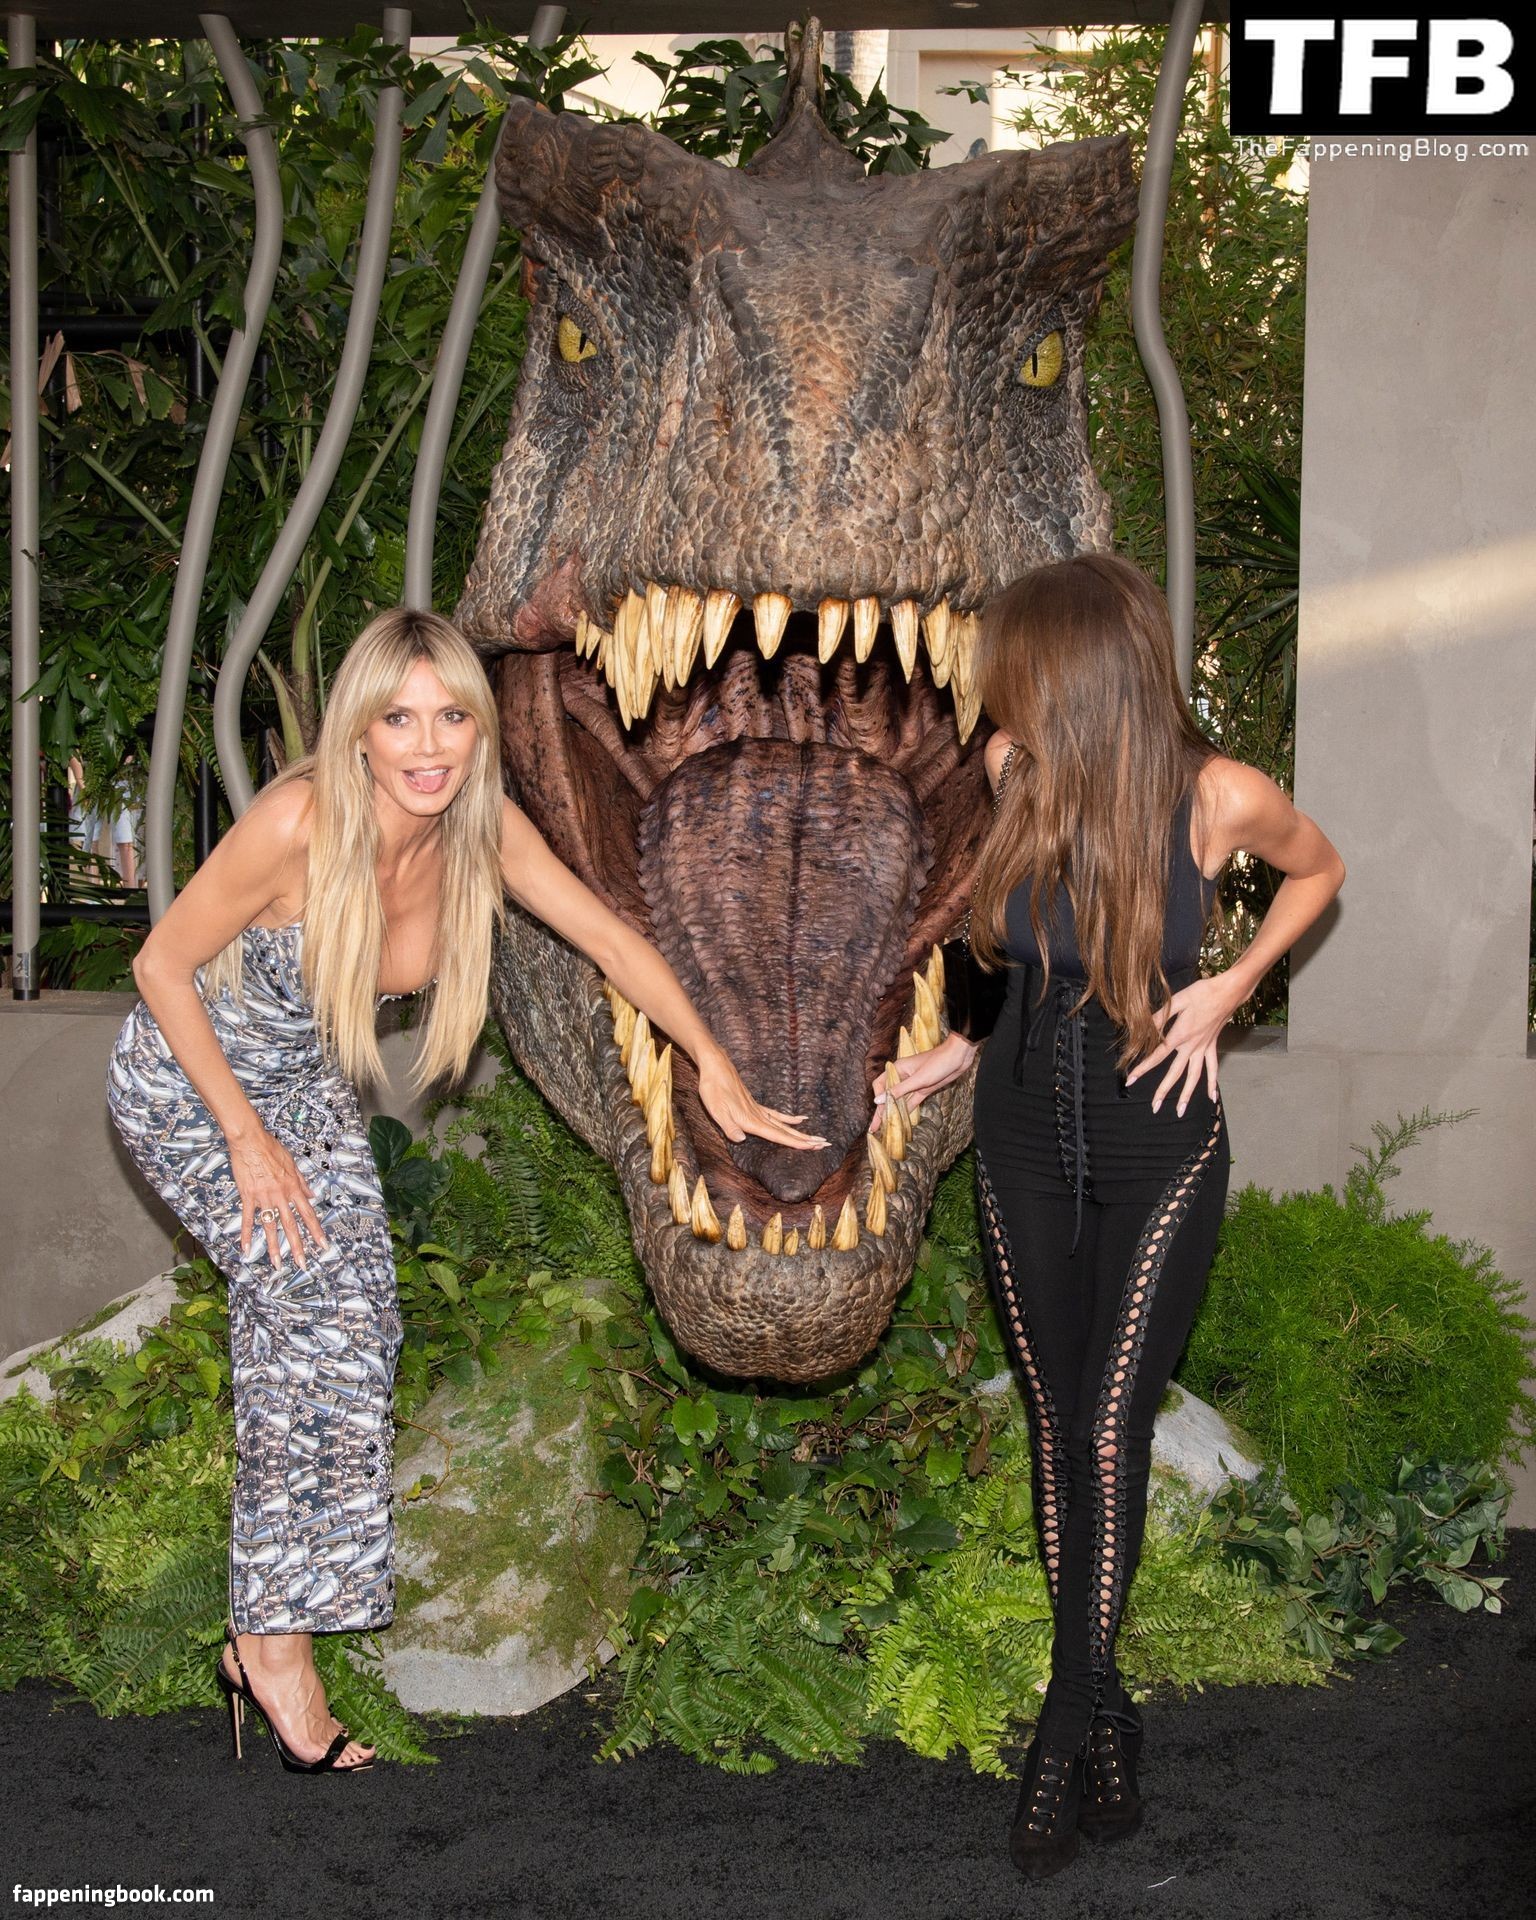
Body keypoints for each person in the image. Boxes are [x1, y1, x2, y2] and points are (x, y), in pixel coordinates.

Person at [107, 607, 826, 1777]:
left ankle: (271, 1630)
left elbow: (613, 940)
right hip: (191, 1085)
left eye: (451, 716)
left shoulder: (483, 828)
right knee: (307, 1307)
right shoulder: (297, 822)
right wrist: (243, 1140)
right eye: (399, 719)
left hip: (297, 1087)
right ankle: (274, 1650)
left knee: (361, 1325)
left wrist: (711, 1060)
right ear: (360, 731)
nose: (428, 744)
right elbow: (160, 964)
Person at [871, 553, 1344, 1879]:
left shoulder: (1218, 793)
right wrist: (961, 1045)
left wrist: (1233, 986)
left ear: (1076, 674)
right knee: (1055, 1423)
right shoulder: (1015, 771)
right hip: (1022, 1132)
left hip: (1159, 1143)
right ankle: (1108, 1715)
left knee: (1106, 1420)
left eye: (1014, 671)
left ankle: (1064, 1723)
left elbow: (1319, 870)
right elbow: (996, 943)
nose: (993, 697)